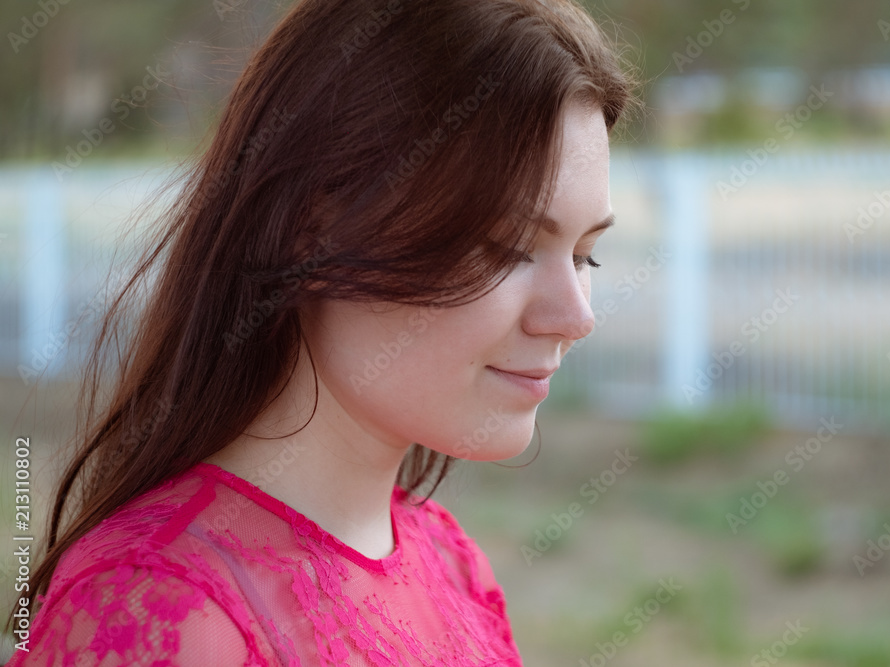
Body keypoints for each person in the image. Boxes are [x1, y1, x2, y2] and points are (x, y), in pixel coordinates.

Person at [6, 0, 641, 663]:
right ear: (315, 228)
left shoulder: (452, 563)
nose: (576, 317)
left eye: (584, 255)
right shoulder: (158, 611)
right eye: (507, 246)